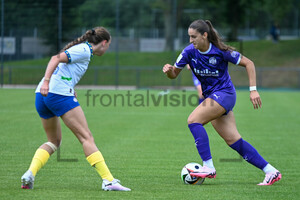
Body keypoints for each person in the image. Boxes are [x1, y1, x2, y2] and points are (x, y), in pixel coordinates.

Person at [162, 19, 281, 185]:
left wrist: (253, 89)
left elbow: (249, 63)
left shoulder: (220, 51)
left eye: (194, 36)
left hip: (225, 94)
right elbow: (174, 74)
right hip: (213, 97)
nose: (191, 40)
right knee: (233, 141)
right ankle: (270, 171)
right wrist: (168, 71)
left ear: (205, 35)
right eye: (189, 37)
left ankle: (208, 167)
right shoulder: (189, 52)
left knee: (193, 120)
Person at [21, 27, 131, 191]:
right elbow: (55, 59)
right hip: (57, 94)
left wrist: (66, 86)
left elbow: (64, 70)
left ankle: (30, 174)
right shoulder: (85, 50)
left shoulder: (82, 49)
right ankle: (108, 181)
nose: (107, 49)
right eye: (108, 46)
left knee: (53, 141)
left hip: (42, 96)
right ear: (104, 42)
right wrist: (46, 81)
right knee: (86, 137)